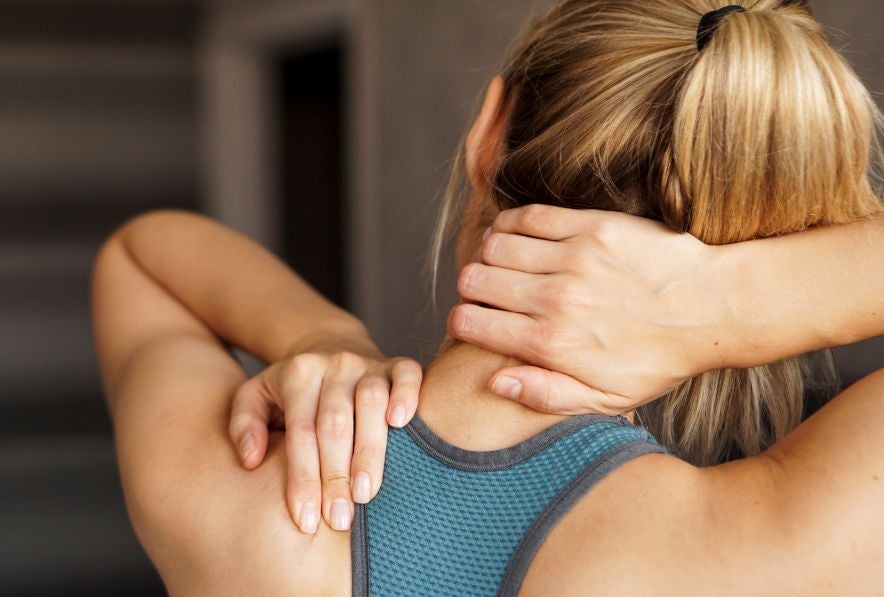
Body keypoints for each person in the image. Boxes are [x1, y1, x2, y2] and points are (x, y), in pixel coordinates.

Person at [93, 0, 884, 594]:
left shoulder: (244, 497)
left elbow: (141, 254)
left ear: (488, 132)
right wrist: (734, 302)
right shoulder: (760, 550)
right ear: (758, 224)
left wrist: (316, 333)